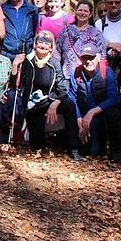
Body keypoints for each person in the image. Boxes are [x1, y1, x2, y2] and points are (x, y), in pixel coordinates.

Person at [19, 31, 83, 161]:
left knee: (69, 105)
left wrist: (55, 103)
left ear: (51, 47)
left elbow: (62, 89)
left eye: (47, 43)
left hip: (50, 99)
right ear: (35, 44)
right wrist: (15, 65)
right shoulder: (28, 62)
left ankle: (73, 147)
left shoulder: (55, 63)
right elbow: (17, 84)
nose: (43, 45)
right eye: (40, 42)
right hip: (34, 104)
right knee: (36, 145)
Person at [69, 44, 121, 162]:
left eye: (91, 57)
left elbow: (113, 98)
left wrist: (92, 112)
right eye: (85, 58)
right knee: (89, 151)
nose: (88, 61)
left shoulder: (107, 72)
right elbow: (72, 99)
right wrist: (79, 120)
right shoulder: (77, 73)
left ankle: (115, 150)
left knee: (113, 113)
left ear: (98, 57)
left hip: (102, 110)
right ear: (80, 59)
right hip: (86, 116)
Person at [56, 0, 106, 78]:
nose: (82, 13)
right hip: (66, 76)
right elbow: (57, 52)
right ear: (76, 12)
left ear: (90, 14)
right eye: (80, 10)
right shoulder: (66, 31)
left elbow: (102, 55)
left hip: (87, 75)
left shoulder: (96, 33)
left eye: (85, 11)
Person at [95, 0, 121, 80]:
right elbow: (96, 44)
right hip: (107, 66)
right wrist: (111, 45)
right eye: (110, 2)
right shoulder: (99, 24)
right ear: (106, 4)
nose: (113, 5)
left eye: (117, 2)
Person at [0, 0, 37, 65]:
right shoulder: (2, 9)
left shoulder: (31, 9)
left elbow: (35, 29)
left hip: (26, 53)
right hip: (7, 54)